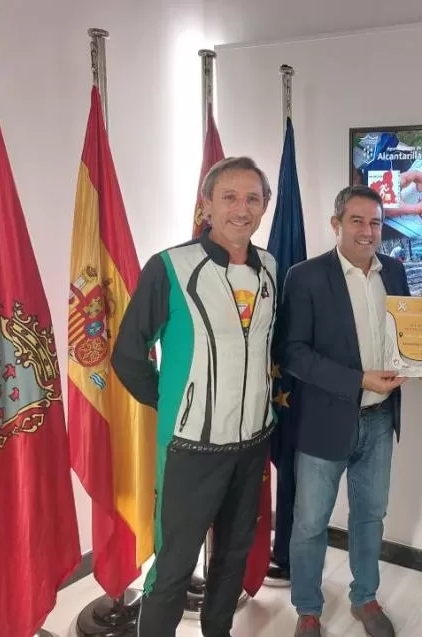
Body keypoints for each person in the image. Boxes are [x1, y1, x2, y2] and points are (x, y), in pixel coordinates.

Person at [112, 156, 278, 637]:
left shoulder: (270, 267)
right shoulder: (170, 267)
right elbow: (128, 355)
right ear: (206, 205)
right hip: (191, 449)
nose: (241, 209)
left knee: (232, 559)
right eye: (229, 197)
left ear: (264, 206)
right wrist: (175, 404)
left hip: (251, 446)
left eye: (252, 198)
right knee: (173, 567)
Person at [279, 185, 422, 637]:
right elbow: (293, 353)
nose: (368, 231)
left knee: (370, 516)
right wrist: (358, 379)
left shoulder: (394, 272)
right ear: (336, 224)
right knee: (310, 523)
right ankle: (308, 608)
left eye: (375, 223)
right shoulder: (305, 276)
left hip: (379, 419)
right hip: (323, 421)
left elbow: (406, 338)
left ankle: (365, 598)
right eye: (357, 221)